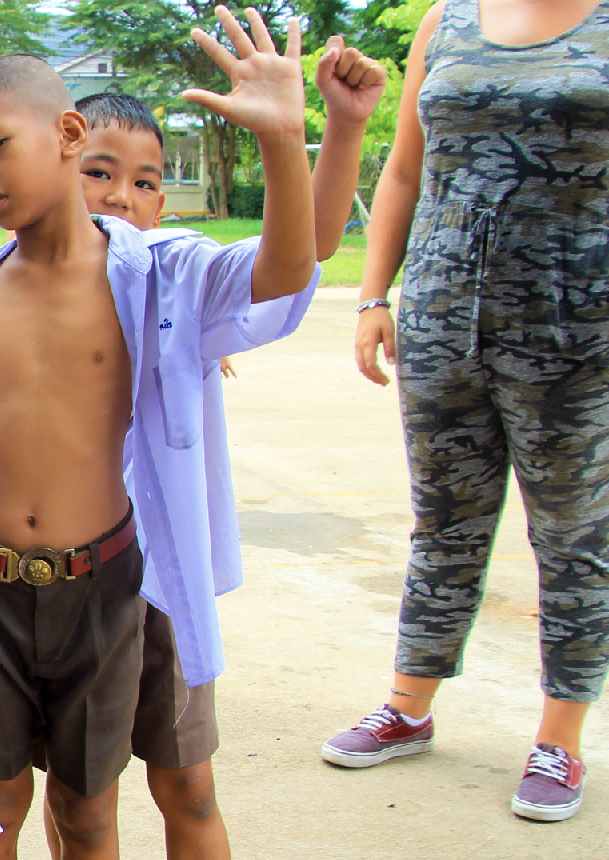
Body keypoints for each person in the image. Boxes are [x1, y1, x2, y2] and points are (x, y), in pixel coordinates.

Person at [0, 11, 320, 857]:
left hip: (101, 589)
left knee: (88, 814)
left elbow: (281, 277)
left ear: (64, 132)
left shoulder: (155, 273)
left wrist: (286, 139)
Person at [43, 45, 381, 858]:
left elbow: (296, 259)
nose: (123, 196)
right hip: (54, 587)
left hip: (158, 580)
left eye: (146, 181)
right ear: (52, 163)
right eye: (98, 172)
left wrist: (331, 128)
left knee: (188, 784)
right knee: (80, 801)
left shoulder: (179, 278)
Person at [328, 0, 609, 824]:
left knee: (572, 534)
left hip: (577, 323)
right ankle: (409, 706)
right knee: (443, 522)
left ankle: (561, 738)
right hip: (444, 317)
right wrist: (373, 296)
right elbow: (407, 170)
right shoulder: (446, 20)